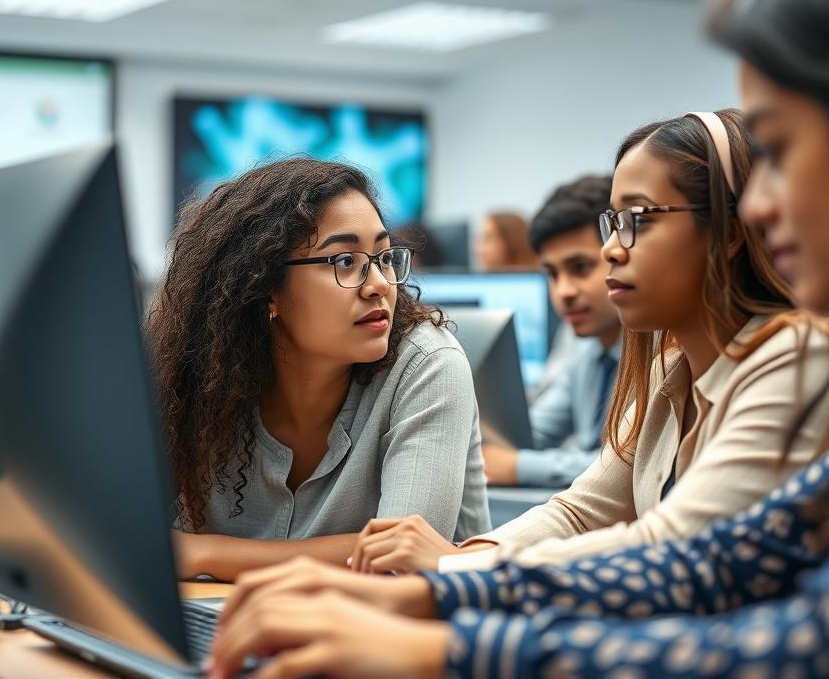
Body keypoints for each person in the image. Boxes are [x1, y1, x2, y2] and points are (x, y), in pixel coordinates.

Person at [206, 0, 829, 676]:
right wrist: (440, 594)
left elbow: (818, 641)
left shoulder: (811, 356)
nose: (756, 207)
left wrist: (444, 637)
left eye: (781, 152)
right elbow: (711, 561)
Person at [343, 109, 829, 577]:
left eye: (637, 220)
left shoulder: (801, 358)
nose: (611, 250)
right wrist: (467, 556)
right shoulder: (671, 368)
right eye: (613, 224)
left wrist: (456, 568)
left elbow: (675, 543)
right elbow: (581, 512)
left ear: (729, 230)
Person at [145, 157, 490, 581]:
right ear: (264, 288)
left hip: (391, 620)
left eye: (384, 257)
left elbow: (401, 559)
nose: (380, 284)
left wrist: (205, 553)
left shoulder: (427, 363)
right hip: (232, 616)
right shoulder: (198, 379)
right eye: (344, 261)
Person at [480, 176, 622, 488]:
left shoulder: (663, 351)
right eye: (553, 274)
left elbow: (629, 464)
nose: (563, 291)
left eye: (580, 268)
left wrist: (517, 467)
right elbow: (536, 431)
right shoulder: (585, 346)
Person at [473, 211, 538, 270]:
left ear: (510, 241)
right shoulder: (484, 278)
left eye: (488, 238)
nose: (478, 248)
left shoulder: (536, 277)